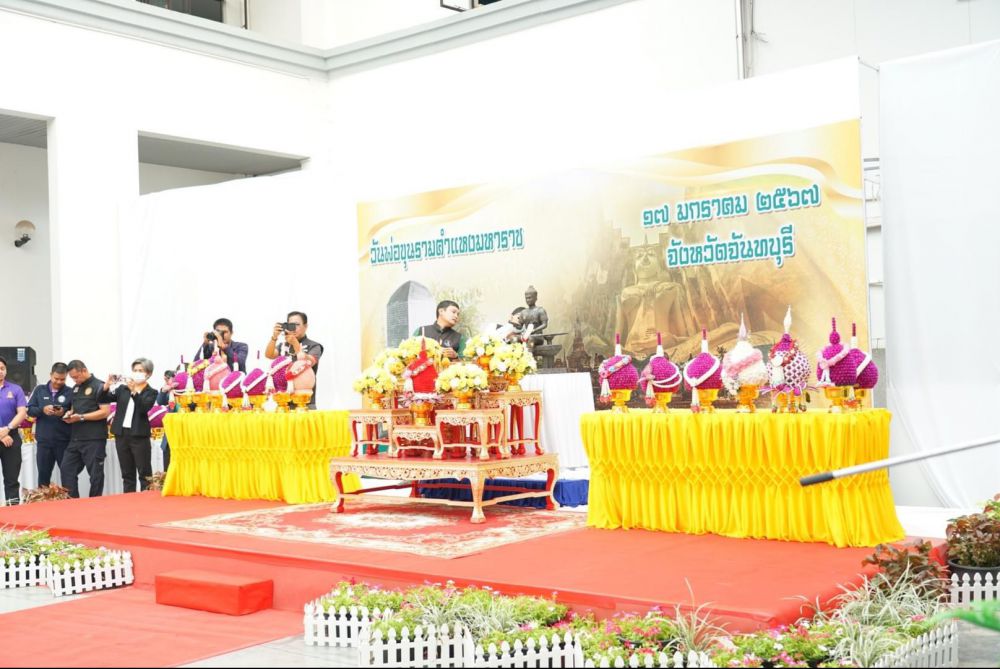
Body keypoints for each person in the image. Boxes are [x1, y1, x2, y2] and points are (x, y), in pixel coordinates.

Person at [101, 358, 158, 493]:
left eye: (140, 370)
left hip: (139, 435)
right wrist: (107, 385)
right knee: (127, 473)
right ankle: (128, 499)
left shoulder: (151, 392)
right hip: (121, 434)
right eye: (135, 370)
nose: (137, 373)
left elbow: (143, 408)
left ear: (148, 374)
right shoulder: (123, 389)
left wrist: (134, 392)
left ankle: (146, 498)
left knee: (144, 473)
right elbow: (103, 398)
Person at [61, 360, 111, 498]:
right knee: (66, 469)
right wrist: (69, 413)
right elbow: (74, 408)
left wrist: (82, 417)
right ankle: (73, 502)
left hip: (94, 438)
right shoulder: (76, 388)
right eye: (72, 378)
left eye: (76, 377)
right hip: (76, 437)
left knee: (95, 475)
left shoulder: (100, 386)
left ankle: (94, 503)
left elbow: (105, 412)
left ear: (84, 370)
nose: (75, 380)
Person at [26, 362, 73, 487]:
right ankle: (43, 499)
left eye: (62, 379)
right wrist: (43, 410)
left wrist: (63, 412)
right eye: (56, 378)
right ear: (51, 374)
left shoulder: (70, 392)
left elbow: (75, 412)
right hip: (44, 441)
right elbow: (29, 410)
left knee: (68, 475)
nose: (59, 382)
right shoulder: (39, 390)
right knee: (43, 475)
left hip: (64, 440)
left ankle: (70, 499)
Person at [266, 311, 323, 408]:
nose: (294, 328)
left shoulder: (314, 346)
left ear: (305, 326)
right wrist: (274, 337)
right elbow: (269, 355)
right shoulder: (283, 345)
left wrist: (295, 343)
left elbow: (309, 362)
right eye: (291, 325)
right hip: (284, 400)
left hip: (305, 400)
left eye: (297, 324)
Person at [0, 356, 28, 505]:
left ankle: (13, 511)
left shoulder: (16, 389)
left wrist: (8, 428)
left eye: (2, 368)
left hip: (11, 437)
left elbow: (22, 413)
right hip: (4, 436)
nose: (0, 371)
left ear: (6, 370)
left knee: (11, 479)